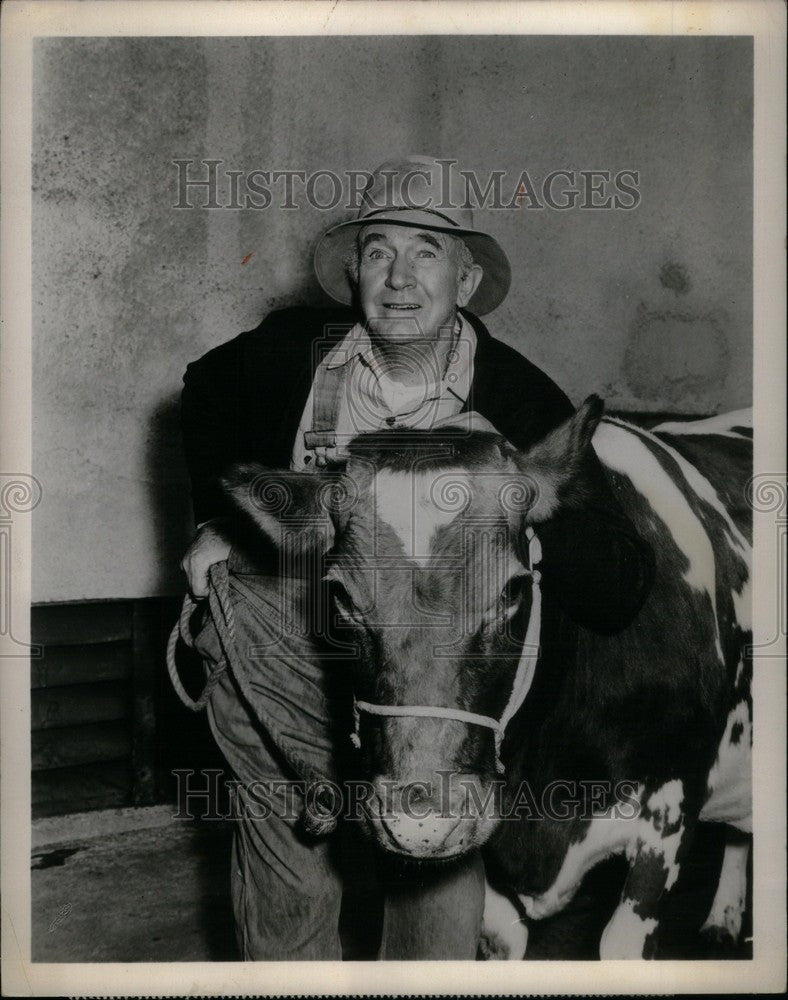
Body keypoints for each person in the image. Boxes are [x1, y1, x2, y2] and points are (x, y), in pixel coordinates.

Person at [178, 156, 655, 960]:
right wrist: (224, 521)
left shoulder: (516, 398)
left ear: (466, 280)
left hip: (436, 685)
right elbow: (202, 388)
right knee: (287, 865)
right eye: (378, 252)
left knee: (432, 870)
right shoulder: (295, 354)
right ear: (353, 273)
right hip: (299, 647)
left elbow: (619, 586)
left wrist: (523, 510)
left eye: (426, 252)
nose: (399, 279)